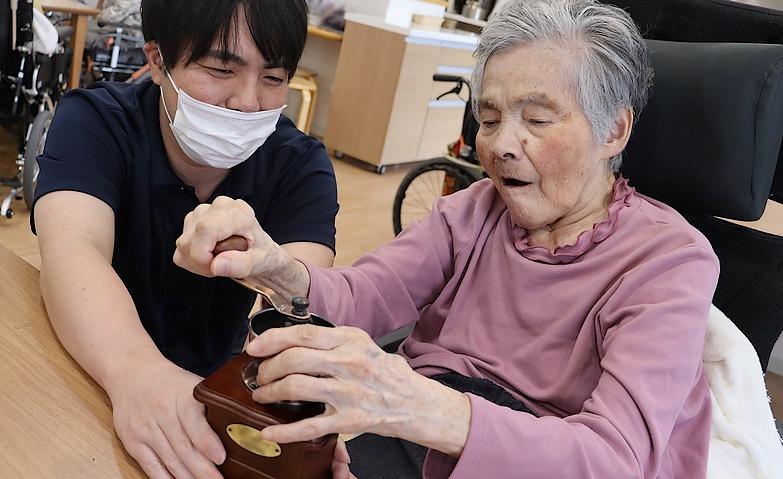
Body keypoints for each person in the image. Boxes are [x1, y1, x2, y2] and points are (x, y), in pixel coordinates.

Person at [174, 0, 719, 477]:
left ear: (614, 131)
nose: (502, 144)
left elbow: (614, 461)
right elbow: (367, 293)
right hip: (420, 442)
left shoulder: (667, 262)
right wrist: (276, 269)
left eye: (536, 120)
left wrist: (415, 404)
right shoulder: (474, 210)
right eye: (488, 118)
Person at [31, 0, 340, 477]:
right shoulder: (96, 121)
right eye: (221, 69)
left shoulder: (299, 165)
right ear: (157, 60)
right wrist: (138, 374)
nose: (249, 101)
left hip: (208, 391)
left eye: (274, 78)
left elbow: (302, 298)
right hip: (83, 356)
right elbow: (72, 248)